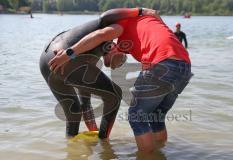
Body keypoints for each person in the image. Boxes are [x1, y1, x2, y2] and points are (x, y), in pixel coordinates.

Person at [48, 7, 193, 153]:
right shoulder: (147, 23)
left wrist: (69, 53)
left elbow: (100, 35)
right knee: (156, 116)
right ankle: (161, 152)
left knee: (136, 116)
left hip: (161, 63)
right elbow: (154, 18)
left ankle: (149, 157)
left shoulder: (123, 24)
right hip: (184, 67)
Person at [40, 8, 157, 139]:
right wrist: (140, 11)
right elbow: (105, 18)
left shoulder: (89, 54)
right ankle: (104, 142)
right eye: (121, 58)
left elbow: (86, 103)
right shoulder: (109, 35)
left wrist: (93, 131)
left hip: (46, 62)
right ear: (113, 47)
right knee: (114, 95)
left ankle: (71, 147)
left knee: (73, 113)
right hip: (64, 55)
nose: (118, 65)